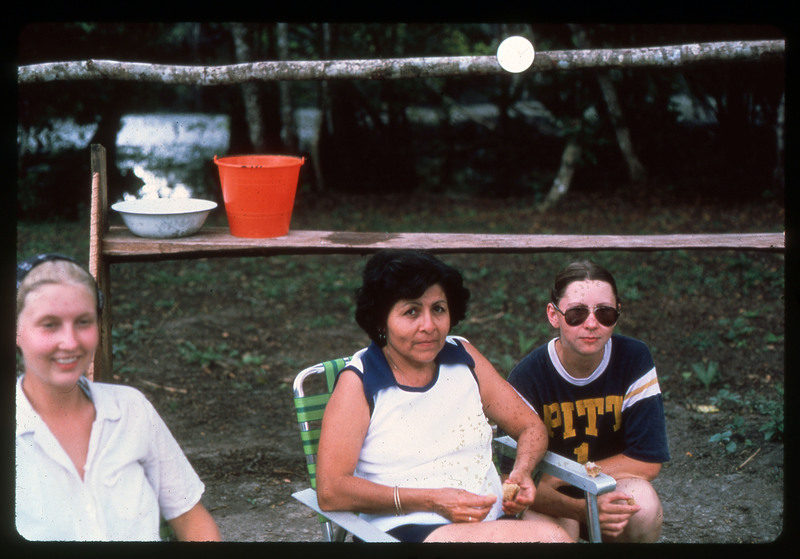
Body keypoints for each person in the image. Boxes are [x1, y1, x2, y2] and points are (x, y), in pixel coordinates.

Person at [315, 249, 572, 543]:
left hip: (490, 519)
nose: (429, 325)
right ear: (380, 319)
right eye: (411, 311)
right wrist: (432, 500)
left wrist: (521, 472)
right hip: (402, 529)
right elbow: (331, 491)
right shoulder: (360, 381)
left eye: (438, 309)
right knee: (552, 538)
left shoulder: (463, 358)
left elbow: (530, 426)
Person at [15, 253, 221, 542]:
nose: (71, 342)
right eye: (49, 324)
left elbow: (192, 520)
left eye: (84, 322)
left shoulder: (131, 409)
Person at [505, 260, 670, 542]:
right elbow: (518, 485)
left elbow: (647, 460)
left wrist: (569, 476)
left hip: (605, 481)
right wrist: (576, 506)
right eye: (576, 313)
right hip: (549, 497)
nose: (592, 324)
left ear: (618, 313)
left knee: (643, 507)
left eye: (604, 313)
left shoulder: (633, 358)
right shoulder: (527, 377)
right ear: (553, 315)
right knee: (555, 535)